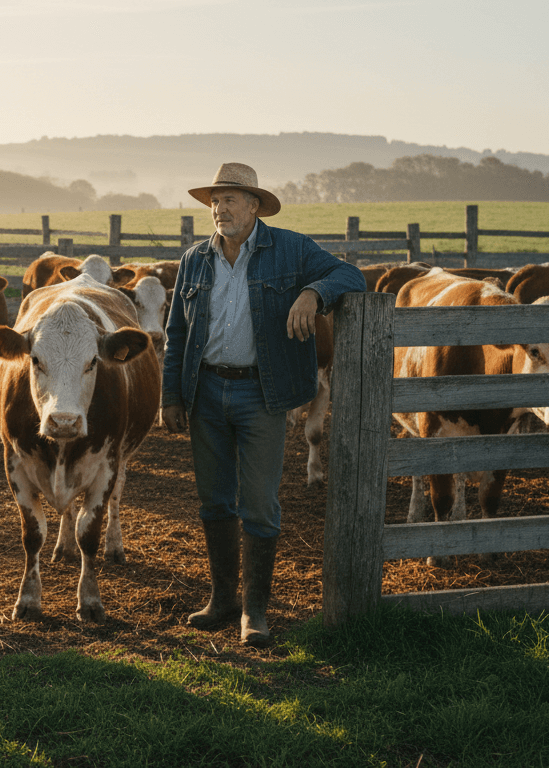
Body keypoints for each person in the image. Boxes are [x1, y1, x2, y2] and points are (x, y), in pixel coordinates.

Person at [161, 163, 365, 647]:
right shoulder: (195, 260)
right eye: (215, 200)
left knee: (258, 502)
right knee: (214, 500)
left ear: (254, 205)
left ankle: (255, 611)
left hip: (262, 391)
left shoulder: (289, 249)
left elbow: (349, 274)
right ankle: (222, 600)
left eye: (230, 199)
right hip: (205, 389)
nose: (219, 208)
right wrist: (171, 395)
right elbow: (177, 334)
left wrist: (313, 293)